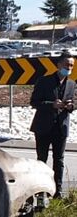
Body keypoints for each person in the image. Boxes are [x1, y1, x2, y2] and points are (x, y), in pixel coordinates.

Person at [30, 55, 75, 197]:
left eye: (71, 66)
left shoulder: (72, 84)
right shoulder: (44, 81)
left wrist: (70, 105)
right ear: (58, 65)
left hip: (61, 127)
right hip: (43, 126)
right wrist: (51, 105)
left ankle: (58, 190)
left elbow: (74, 102)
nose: (69, 68)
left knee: (59, 160)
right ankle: (39, 190)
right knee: (42, 158)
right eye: (66, 64)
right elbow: (34, 102)